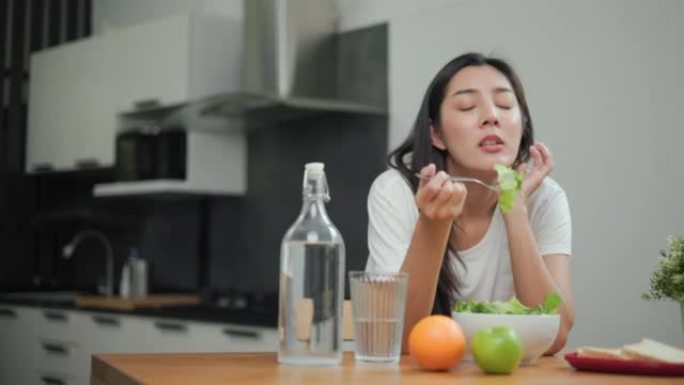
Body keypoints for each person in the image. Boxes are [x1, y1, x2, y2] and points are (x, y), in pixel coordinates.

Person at [365, 52, 574, 354]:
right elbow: (398, 338)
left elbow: (554, 338)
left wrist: (515, 208)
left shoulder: (546, 197)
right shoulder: (396, 193)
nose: (492, 116)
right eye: (466, 106)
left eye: (504, 105)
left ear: (523, 126)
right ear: (436, 134)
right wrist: (432, 224)